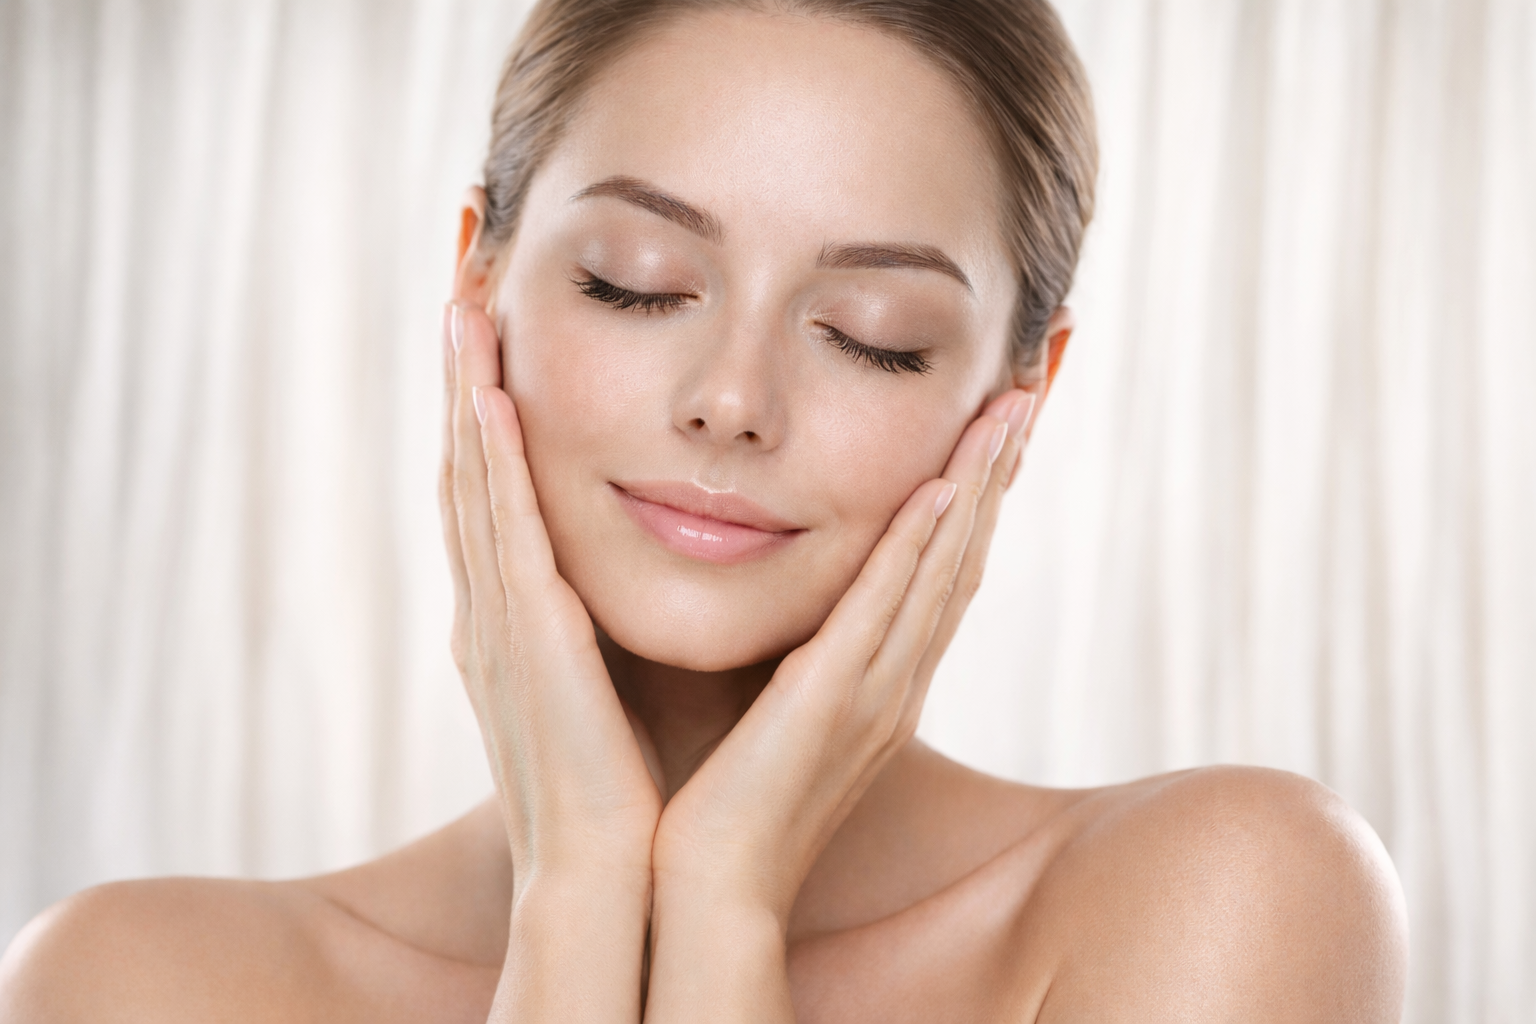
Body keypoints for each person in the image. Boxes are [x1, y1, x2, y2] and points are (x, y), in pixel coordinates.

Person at [0, 1, 1408, 1020]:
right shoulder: (138, 983)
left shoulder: (1221, 900)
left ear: (1020, 392)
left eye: (871, 332)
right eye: (634, 280)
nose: (732, 399)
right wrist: (582, 897)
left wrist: (725, 909)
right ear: (476, 276)